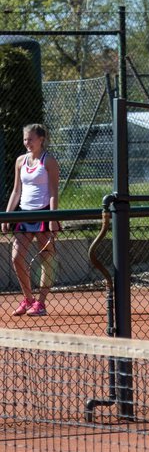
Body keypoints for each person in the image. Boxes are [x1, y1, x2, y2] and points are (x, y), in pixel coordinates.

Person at [6, 123, 60, 317]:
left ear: (41, 139)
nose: (27, 143)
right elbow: (16, 191)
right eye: (25, 139)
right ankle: (28, 299)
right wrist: (8, 215)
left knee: (47, 258)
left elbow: (54, 192)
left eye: (30, 139)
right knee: (16, 256)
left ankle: (41, 303)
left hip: (45, 214)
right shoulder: (21, 161)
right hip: (24, 215)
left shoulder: (49, 161)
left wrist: (53, 218)